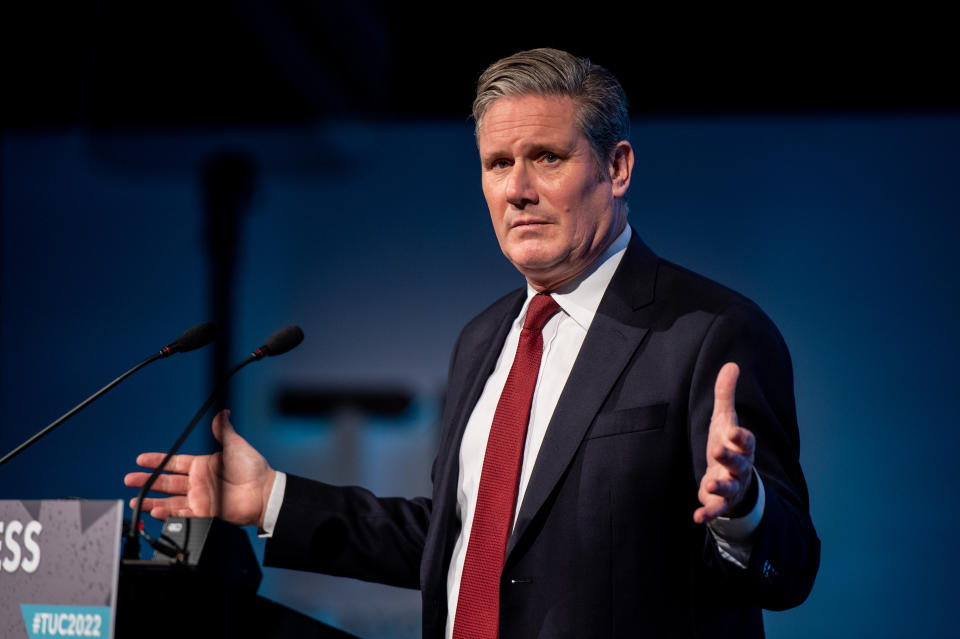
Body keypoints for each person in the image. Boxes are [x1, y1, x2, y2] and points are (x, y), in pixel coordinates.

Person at [126, 48, 819, 638]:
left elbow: (792, 568)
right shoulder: (485, 338)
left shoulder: (709, 331)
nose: (517, 189)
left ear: (617, 167)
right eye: (497, 163)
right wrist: (274, 497)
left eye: (546, 157)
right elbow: (459, 543)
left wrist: (744, 507)